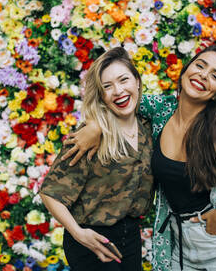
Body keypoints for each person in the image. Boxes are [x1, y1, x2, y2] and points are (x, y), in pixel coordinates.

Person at [62, 45, 216, 271]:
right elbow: (118, 99)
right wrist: (94, 126)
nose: (203, 75)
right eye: (200, 65)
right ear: (186, 70)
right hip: (177, 243)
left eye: (215, 76)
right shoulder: (160, 110)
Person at [39, 47, 154, 271]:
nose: (118, 91)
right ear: (101, 95)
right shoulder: (89, 136)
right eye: (107, 87)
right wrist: (78, 234)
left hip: (130, 235)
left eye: (124, 80)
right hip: (90, 238)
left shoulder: (148, 126)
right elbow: (50, 192)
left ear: (137, 81)